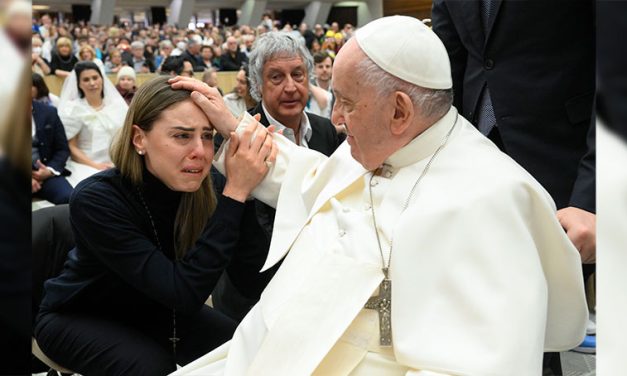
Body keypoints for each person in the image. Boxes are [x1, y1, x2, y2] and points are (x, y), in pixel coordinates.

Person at [170, 16, 588, 375]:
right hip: (266, 347)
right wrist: (235, 127)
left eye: (346, 103)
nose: (334, 118)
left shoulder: (493, 199)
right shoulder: (382, 145)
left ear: (400, 111)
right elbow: (312, 178)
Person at [34, 76, 277, 375]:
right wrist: (235, 195)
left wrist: (249, 195)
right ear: (139, 139)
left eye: (207, 136)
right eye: (182, 136)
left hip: (158, 306)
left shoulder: (210, 187)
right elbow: (184, 293)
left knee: (251, 349)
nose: (200, 151)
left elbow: (250, 277)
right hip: (79, 314)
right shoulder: (97, 198)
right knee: (152, 366)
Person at [431, 0, 596, 364]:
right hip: (471, 169)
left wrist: (592, 198)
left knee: (559, 327)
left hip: (566, 169)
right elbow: (445, 68)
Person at [210, 31, 343, 322]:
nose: (291, 87)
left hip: (314, 281)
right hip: (251, 291)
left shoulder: (325, 131)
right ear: (257, 85)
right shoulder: (234, 136)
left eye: (298, 74)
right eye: (276, 77)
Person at [58, 61, 128, 186]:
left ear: (102, 79)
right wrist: (96, 166)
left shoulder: (117, 106)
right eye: (86, 79)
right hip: (86, 163)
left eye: (95, 78)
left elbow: (125, 137)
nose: (92, 83)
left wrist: (118, 161)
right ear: (79, 84)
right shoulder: (74, 109)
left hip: (117, 160)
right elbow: (72, 147)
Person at [31, 100, 73, 204]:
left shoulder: (49, 111)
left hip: (46, 173)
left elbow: (62, 149)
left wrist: (49, 170)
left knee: (69, 198)